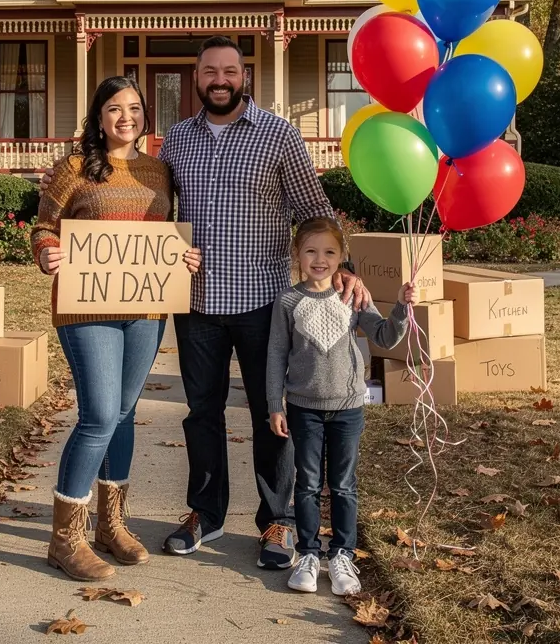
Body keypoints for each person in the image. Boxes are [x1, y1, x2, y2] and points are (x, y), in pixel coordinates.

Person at [157, 36, 371, 569]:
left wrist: (347, 268)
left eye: (230, 70)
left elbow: (313, 208)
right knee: (201, 413)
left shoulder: (279, 135)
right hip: (197, 303)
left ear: (244, 76)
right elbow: (161, 215)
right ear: (197, 76)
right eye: (210, 71)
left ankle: (276, 521)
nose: (220, 79)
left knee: (271, 415)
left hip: (264, 304)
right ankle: (204, 513)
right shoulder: (177, 141)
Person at [31, 75, 202, 582]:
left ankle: (111, 524)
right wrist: (47, 252)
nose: (125, 117)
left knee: (125, 414)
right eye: (114, 109)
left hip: (147, 310)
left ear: (145, 113)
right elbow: (45, 226)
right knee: (100, 415)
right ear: (98, 117)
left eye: (134, 108)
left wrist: (182, 257)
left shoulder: (159, 170)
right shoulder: (73, 169)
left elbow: (166, 233)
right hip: (87, 310)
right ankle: (66, 539)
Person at [266, 217, 412, 595]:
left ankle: (343, 554)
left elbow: (385, 336)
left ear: (342, 257)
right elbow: (277, 353)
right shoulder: (288, 300)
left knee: (344, 485)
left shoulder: (352, 296)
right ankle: (310, 553)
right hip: (303, 407)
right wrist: (274, 404)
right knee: (309, 483)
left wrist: (399, 307)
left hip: (347, 407)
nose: (320, 259)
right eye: (311, 251)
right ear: (296, 253)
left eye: (329, 252)